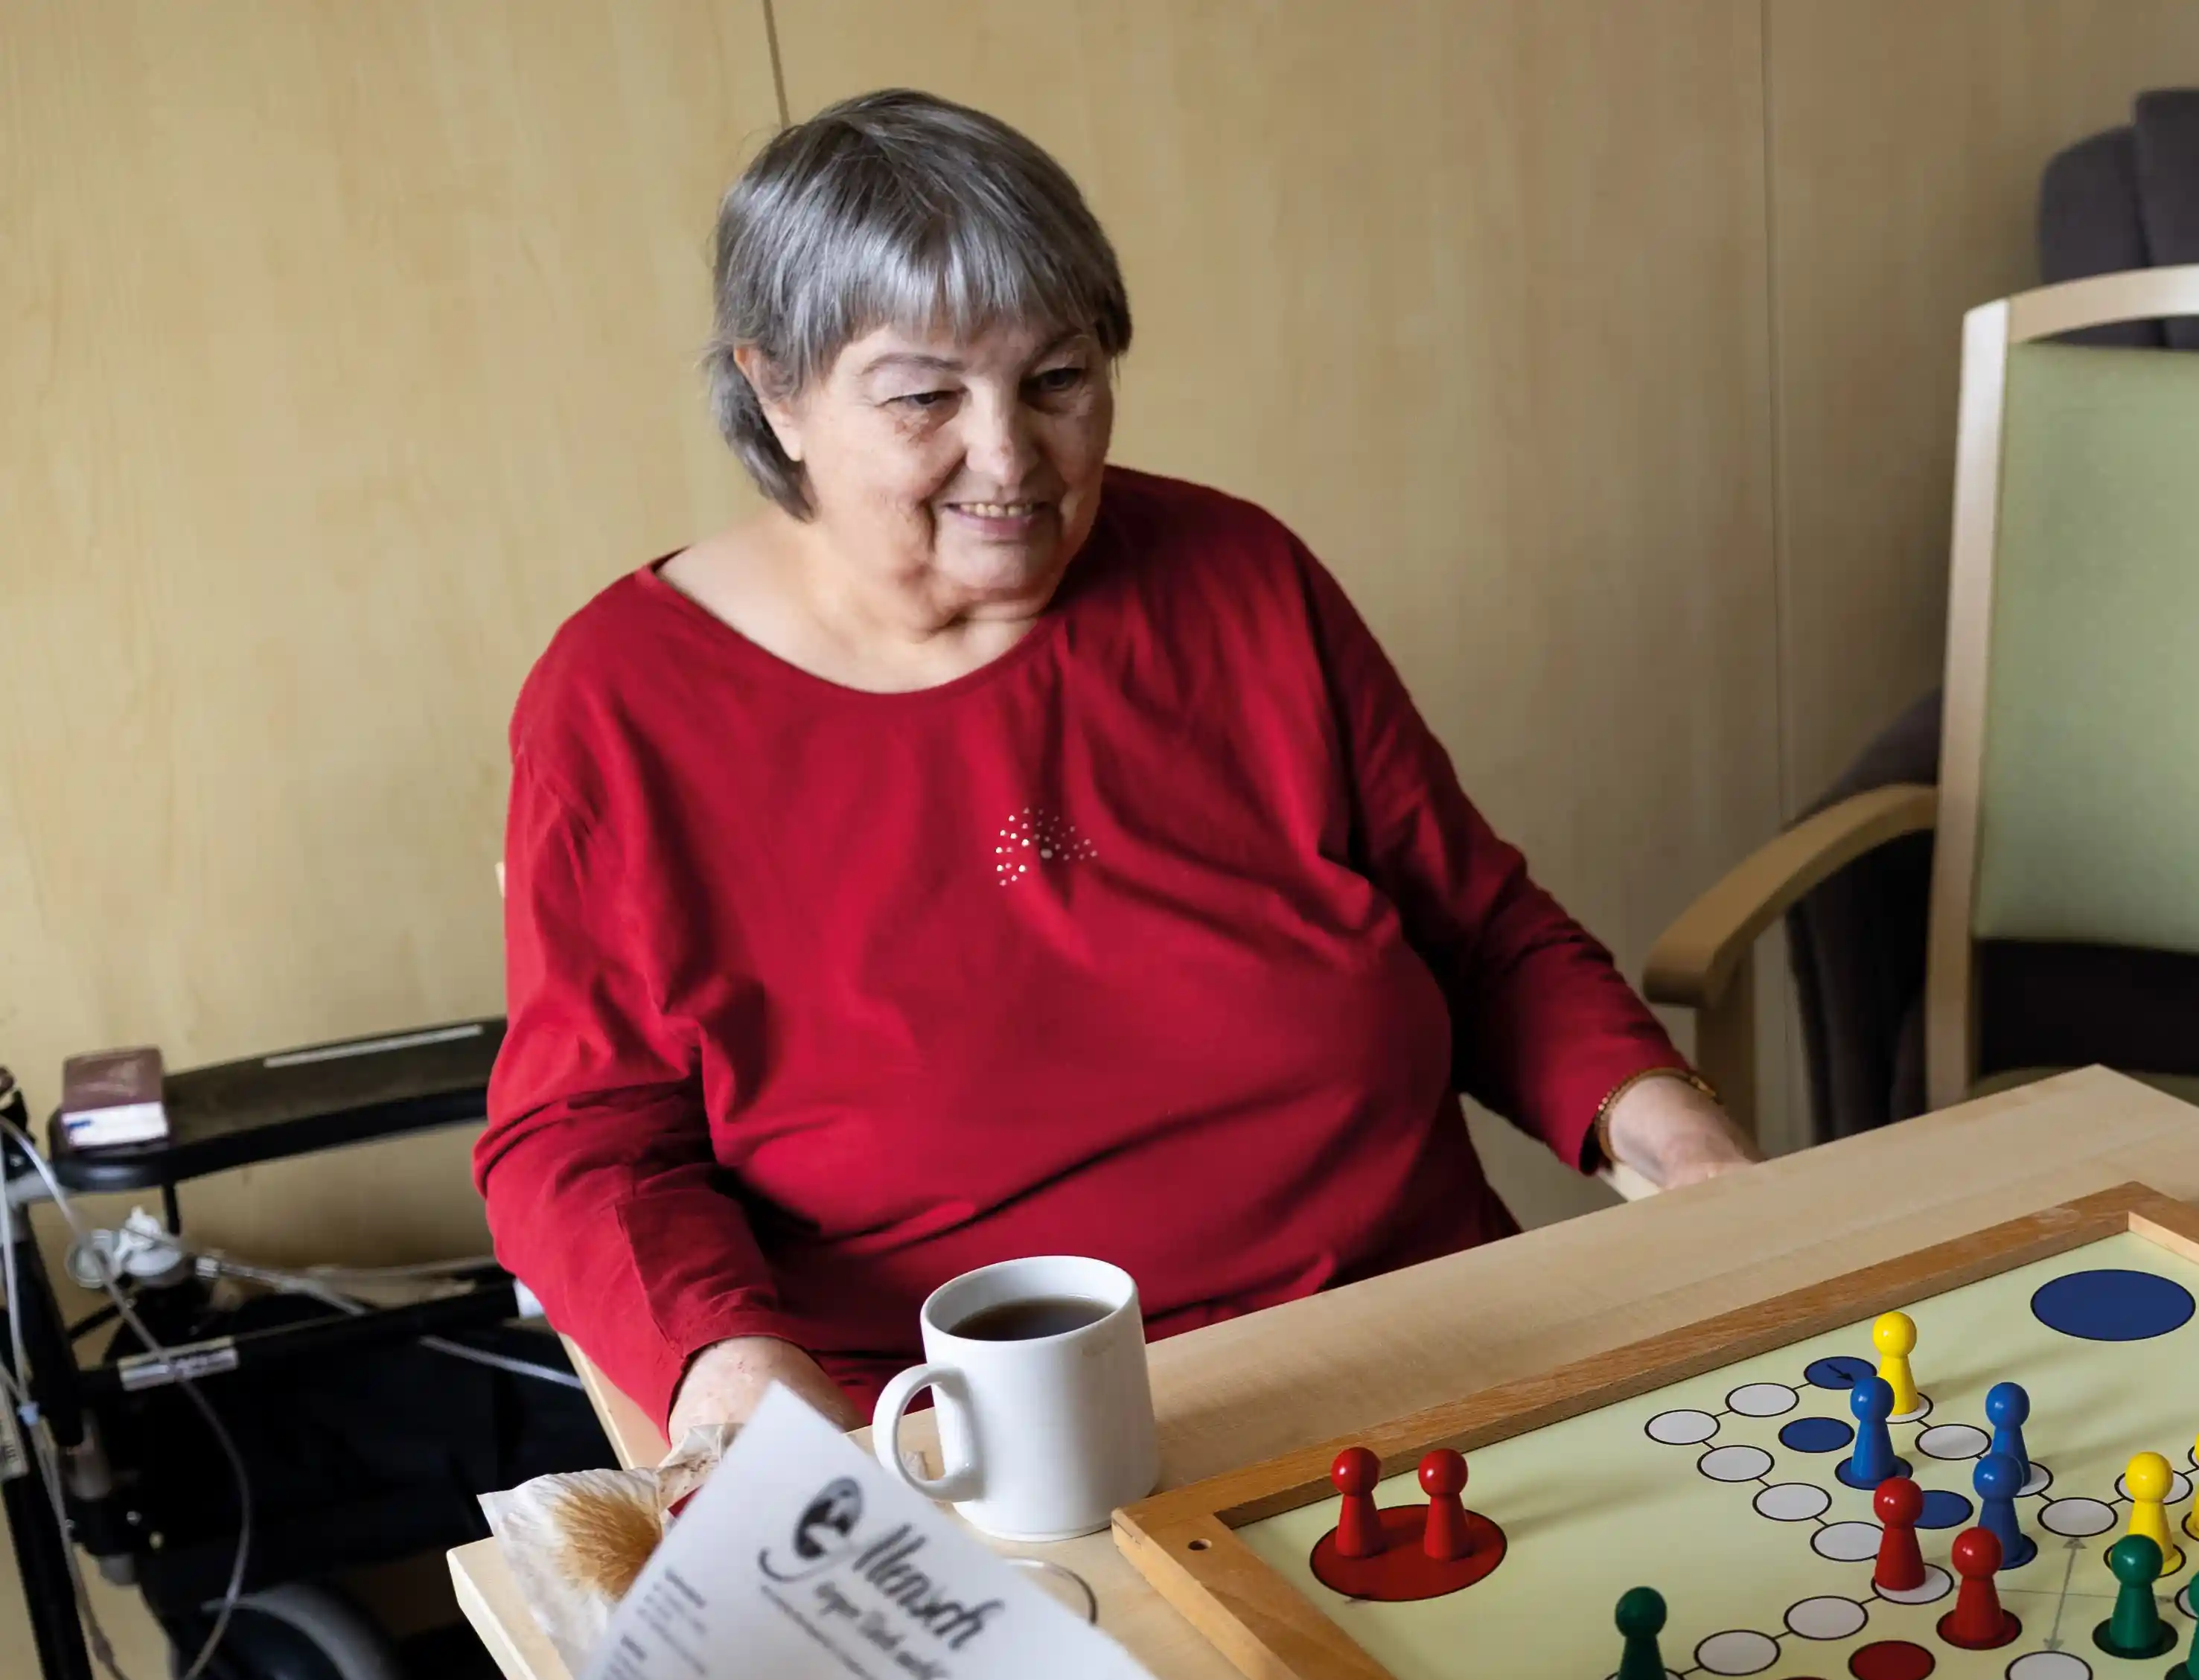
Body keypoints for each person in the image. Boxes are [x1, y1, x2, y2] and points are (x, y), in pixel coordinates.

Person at [480, 92, 1752, 1449]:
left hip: (1418, 1338)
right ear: (776, 393)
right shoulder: (624, 701)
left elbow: (1480, 933)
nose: (1008, 455)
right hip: (976, 1438)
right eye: (923, 397)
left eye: (1058, 379)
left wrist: (1687, 1149)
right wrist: (732, 1373)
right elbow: (586, 1140)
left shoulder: (1239, 574)